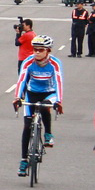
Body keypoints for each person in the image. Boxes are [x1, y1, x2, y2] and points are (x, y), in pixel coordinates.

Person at [14, 35, 64, 176]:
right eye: (34, 49)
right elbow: (21, 80)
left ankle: (48, 133)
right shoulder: (28, 62)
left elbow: (59, 82)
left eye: (40, 50)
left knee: (43, 106)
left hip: (50, 93)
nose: (36, 52)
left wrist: (59, 100)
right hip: (32, 93)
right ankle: (24, 160)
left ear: (48, 50)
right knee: (27, 126)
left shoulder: (55, 63)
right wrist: (17, 97)